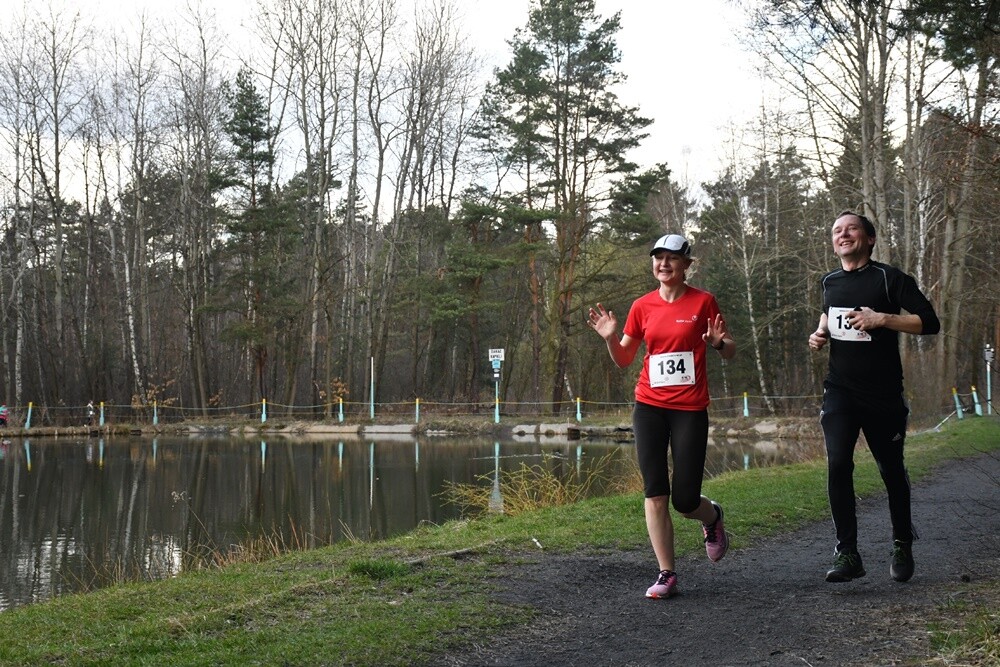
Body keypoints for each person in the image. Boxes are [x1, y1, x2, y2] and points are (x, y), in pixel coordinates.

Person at [588, 233, 736, 599]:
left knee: (684, 500)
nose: (664, 263)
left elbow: (729, 350)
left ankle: (711, 517)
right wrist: (610, 338)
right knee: (655, 492)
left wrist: (718, 343)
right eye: (658, 257)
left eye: (672, 258)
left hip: (689, 409)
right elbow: (625, 359)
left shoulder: (703, 301)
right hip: (649, 406)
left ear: (686, 264)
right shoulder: (642, 306)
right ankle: (666, 573)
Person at [808, 210, 940, 584]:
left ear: (869, 238)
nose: (843, 234)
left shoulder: (890, 278)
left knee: (890, 470)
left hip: (883, 395)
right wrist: (820, 334)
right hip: (840, 391)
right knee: (838, 464)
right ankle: (847, 552)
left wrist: (882, 319)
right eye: (837, 230)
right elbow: (828, 314)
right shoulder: (829, 281)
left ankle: (902, 543)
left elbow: (930, 322)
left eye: (851, 228)